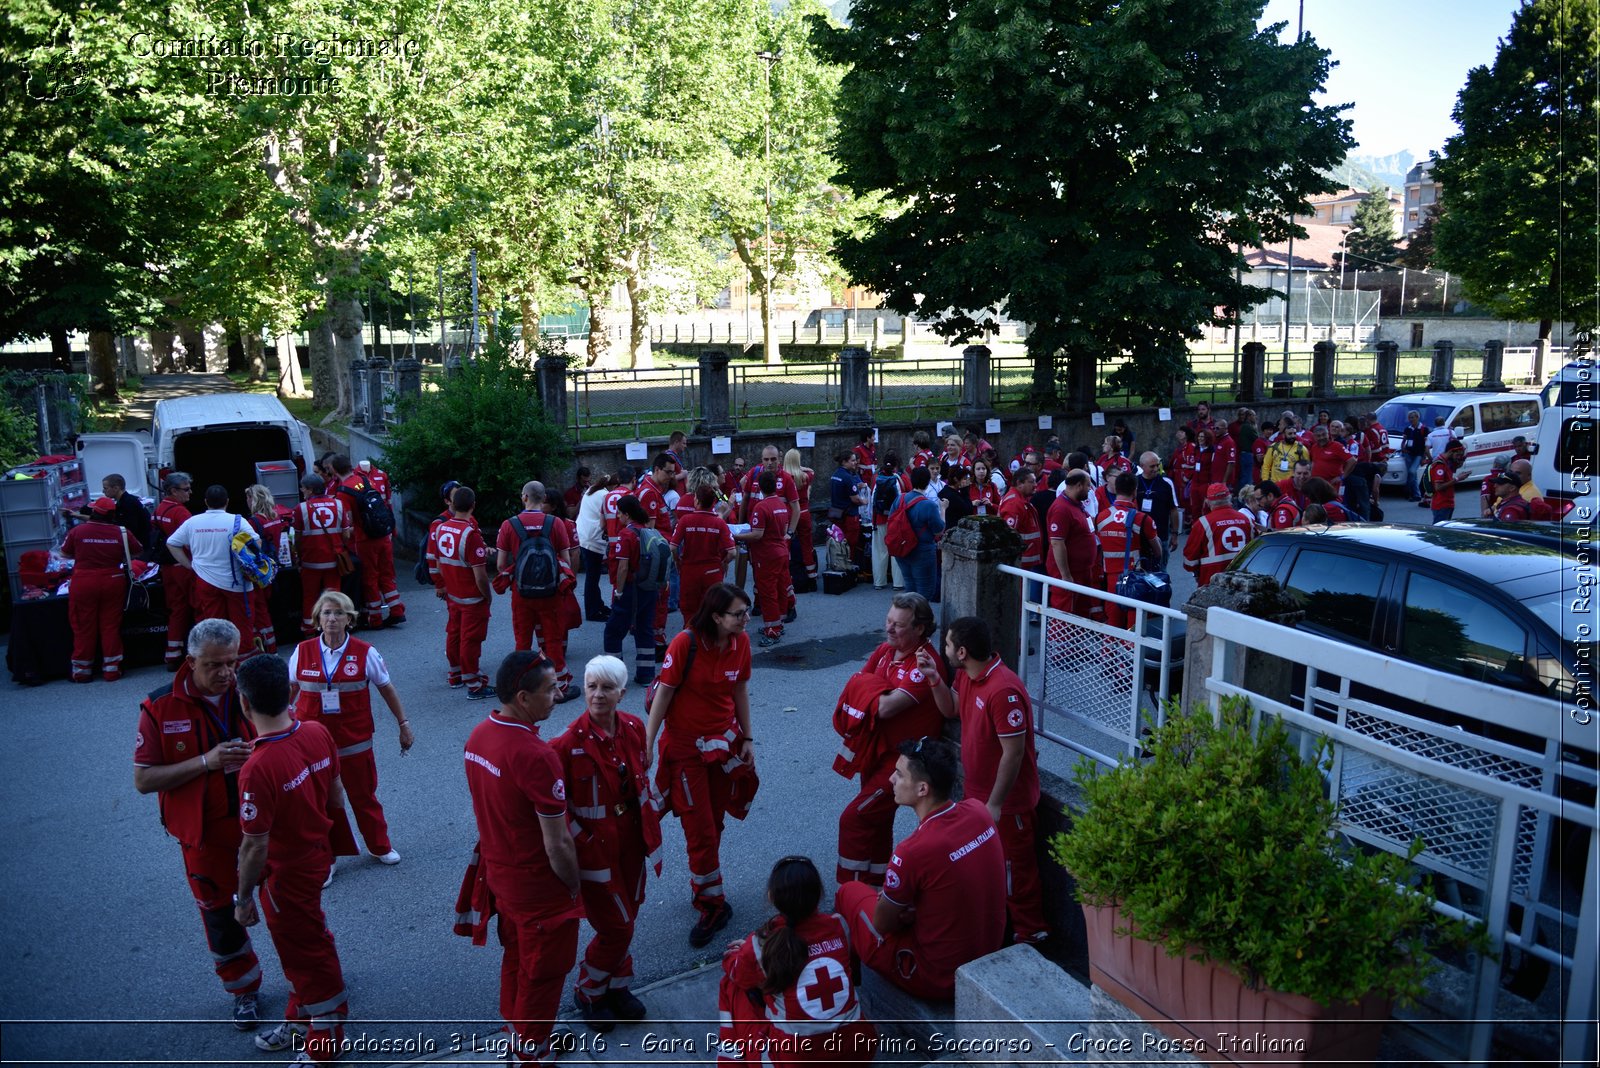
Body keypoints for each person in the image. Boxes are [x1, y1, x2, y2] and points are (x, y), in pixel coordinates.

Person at [133, 619, 263, 1031]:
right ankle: (243, 990)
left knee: (286, 904)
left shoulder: (251, 689)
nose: (226, 673)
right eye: (214, 665)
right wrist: (206, 762)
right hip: (204, 835)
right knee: (220, 916)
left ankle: (309, 985)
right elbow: (143, 779)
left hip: (259, 824)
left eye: (231, 662)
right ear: (190, 662)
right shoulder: (160, 706)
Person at [463, 652, 582, 1066]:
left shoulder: (479, 736)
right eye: (550, 690)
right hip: (538, 889)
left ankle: (515, 1032)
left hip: (502, 878)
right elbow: (558, 845)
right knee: (545, 973)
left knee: (517, 959)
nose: (559, 695)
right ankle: (531, 1052)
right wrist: (573, 886)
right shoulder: (537, 756)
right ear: (523, 697)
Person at [233, 654, 351, 1065]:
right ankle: (301, 1019)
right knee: (308, 940)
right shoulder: (318, 732)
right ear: (290, 692)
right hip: (317, 856)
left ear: (244, 705)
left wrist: (243, 897)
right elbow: (336, 798)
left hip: (286, 874)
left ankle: (325, 1038)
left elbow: (254, 847)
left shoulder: (256, 768)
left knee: (306, 953)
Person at [835, 737, 1006, 1001]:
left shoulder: (912, 851)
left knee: (849, 893)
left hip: (938, 978)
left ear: (922, 789)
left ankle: (847, 993)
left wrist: (897, 906)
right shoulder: (978, 811)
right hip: (988, 952)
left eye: (899, 774)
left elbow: (882, 924)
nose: (891, 779)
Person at [549, 656, 660, 1031]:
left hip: (633, 842)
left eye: (607, 688)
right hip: (595, 852)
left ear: (621, 694)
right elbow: (555, 807)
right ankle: (589, 989)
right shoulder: (566, 745)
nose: (597, 694)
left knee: (629, 913)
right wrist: (584, 838)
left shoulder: (633, 726)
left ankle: (617, 986)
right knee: (617, 926)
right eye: (592, 686)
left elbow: (642, 776)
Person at [646, 582, 756, 946]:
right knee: (701, 828)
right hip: (685, 750)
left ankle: (704, 880)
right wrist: (647, 745)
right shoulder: (685, 643)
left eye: (746, 612)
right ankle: (712, 903)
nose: (745, 619)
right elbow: (663, 694)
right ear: (716, 616)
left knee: (716, 820)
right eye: (738, 614)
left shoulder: (740, 643)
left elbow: (739, 689)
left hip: (723, 747)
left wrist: (749, 739)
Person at [928, 617, 1046, 944]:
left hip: (1006, 806)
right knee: (990, 869)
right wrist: (934, 679)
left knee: (1015, 873)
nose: (945, 649)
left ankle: (1031, 933)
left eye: (948, 645)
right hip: (979, 800)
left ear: (962, 652)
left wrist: (994, 803)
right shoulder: (968, 675)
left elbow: (1014, 754)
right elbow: (951, 708)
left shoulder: (1003, 690)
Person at [287, 589, 412, 879]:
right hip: (313, 742)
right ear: (318, 619)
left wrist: (403, 724)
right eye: (327, 613)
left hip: (354, 739)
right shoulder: (302, 652)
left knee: (363, 795)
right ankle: (327, 859)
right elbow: (290, 691)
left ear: (349, 619)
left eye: (339, 613)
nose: (332, 618)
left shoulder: (366, 652)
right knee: (320, 801)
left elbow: (386, 688)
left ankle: (379, 846)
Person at [836, 593, 949, 886]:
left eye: (898, 625)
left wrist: (871, 689)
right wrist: (874, 688)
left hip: (903, 764)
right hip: (876, 751)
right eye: (888, 620)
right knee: (877, 820)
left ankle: (851, 890)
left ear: (919, 629)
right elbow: (854, 684)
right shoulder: (886, 650)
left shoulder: (923, 664)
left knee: (855, 818)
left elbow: (883, 708)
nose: (889, 629)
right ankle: (876, 884)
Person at [716, 856, 875, 1065]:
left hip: (795, 1060)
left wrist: (742, 951)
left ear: (772, 898)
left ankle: (729, 1060)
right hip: (858, 1052)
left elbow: (738, 973)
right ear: (818, 895)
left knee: (731, 985)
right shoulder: (838, 926)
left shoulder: (761, 945)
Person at [496, 481, 579, 701]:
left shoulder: (509, 525)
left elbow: (501, 565)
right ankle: (560, 686)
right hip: (551, 594)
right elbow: (566, 559)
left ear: (524, 497)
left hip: (521, 594)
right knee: (553, 639)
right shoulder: (556, 523)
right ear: (543, 499)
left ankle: (519, 686)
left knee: (522, 641)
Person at [61, 495, 142, 682]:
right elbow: (137, 551)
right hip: (113, 581)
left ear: (94, 512)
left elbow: (65, 554)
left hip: (84, 581)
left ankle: (82, 671)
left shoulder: (78, 532)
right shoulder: (122, 532)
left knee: (83, 626)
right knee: (110, 625)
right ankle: (112, 669)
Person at [167, 484, 255, 654]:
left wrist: (189, 565)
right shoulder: (237, 520)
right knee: (242, 623)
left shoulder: (192, 522)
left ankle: (219, 659)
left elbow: (172, 543)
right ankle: (243, 660)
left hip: (206, 582)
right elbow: (256, 543)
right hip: (235, 581)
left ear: (206, 502)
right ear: (227, 502)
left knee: (214, 626)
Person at [430, 485, 493, 697]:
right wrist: (487, 595)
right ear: (473, 506)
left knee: (454, 633)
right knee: (471, 639)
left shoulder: (441, 528)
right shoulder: (470, 534)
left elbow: (436, 562)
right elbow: (481, 576)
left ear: (452, 504)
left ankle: (455, 674)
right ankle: (474, 682)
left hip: (453, 595)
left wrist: (442, 584)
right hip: (471, 597)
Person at [330, 453, 406, 628]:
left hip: (365, 539)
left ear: (334, 470)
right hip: (382, 534)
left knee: (370, 577)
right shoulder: (364, 480)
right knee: (387, 574)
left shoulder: (343, 492)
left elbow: (347, 521)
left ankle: (375, 618)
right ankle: (397, 610)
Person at [604, 495, 662, 683]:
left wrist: (619, 591)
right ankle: (646, 675)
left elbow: (622, 567)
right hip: (649, 588)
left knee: (613, 631)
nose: (618, 516)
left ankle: (613, 676)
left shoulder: (626, 534)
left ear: (627, 514)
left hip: (631, 589)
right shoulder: (648, 531)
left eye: (619, 513)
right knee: (644, 629)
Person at [1093, 474, 1162, 630]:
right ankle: (1132, 653)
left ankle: (1108, 654)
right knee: (1135, 625)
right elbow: (1158, 552)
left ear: (1116, 489)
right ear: (1135, 491)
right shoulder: (1143, 519)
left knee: (1113, 624)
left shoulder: (1100, 517)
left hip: (1111, 577)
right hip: (1136, 579)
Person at [735, 471, 793, 647]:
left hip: (766, 555)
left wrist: (736, 536)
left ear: (759, 487)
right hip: (781, 551)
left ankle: (773, 630)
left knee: (768, 593)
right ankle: (778, 624)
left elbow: (757, 534)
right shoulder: (781, 505)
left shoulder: (761, 507)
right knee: (780, 588)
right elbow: (784, 529)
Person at [292, 474, 353, 637]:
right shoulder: (338, 505)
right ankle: (338, 626)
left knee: (309, 596)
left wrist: (299, 555)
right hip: (334, 560)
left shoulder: (301, 508)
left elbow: (297, 538)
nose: (302, 491)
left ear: (311, 490)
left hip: (311, 561)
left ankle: (309, 628)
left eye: (303, 488)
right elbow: (346, 535)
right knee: (334, 596)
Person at [673, 470, 736, 626]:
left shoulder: (682, 502)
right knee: (712, 602)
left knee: (691, 605)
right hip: (713, 555)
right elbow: (728, 505)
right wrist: (728, 506)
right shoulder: (713, 496)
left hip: (690, 555)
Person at [149, 471, 196, 668]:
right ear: (173, 490)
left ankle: (173, 654)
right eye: (186, 489)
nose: (190, 493)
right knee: (198, 608)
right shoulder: (181, 512)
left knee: (176, 610)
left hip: (168, 568)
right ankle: (199, 653)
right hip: (184, 567)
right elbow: (190, 542)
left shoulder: (160, 509)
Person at [1045, 471, 1101, 617]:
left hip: (1081, 571)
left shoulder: (1076, 504)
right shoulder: (1061, 509)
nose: (1090, 489)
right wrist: (1065, 575)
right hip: (1070, 574)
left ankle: (1076, 639)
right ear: (1079, 485)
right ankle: (1060, 640)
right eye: (1088, 485)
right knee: (1065, 611)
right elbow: (1057, 543)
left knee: (1080, 611)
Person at [1182, 483, 1253, 588]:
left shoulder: (1203, 523)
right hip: (1243, 583)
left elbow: (1190, 562)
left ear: (1207, 501)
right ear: (1229, 498)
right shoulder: (1247, 520)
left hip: (1211, 583)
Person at [243, 485, 286, 654]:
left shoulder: (253, 522)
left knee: (259, 610)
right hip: (272, 568)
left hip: (259, 571)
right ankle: (270, 644)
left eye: (248, 498)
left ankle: (268, 647)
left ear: (254, 499)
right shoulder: (275, 517)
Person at [895, 467, 944, 599]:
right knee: (925, 591)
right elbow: (939, 530)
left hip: (902, 548)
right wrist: (943, 509)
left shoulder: (900, 499)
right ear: (928, 482)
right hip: (922, 550)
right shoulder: (928, 505)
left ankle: (909, 618)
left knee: (910, 587)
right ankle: (919, 618)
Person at [576, 472, 614, 623]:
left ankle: (598, 605)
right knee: (592, 577)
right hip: (592, 539)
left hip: (585, 535)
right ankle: (592, 611)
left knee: (593, 576)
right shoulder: (605, 496)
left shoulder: (593, 490)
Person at [1133, 452, 1180, 567]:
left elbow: (1174, 510)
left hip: (1161, 535)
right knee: (1140, 571)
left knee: (1160, 571)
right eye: (1152, 466)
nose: (1156, 469)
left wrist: (1175, 534)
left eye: (1157, 465)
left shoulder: (1167, 483)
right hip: (1139, 536)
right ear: (1142, 466)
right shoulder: (1134, 482)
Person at [870, 452, 908, 591]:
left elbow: (871, 500)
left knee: (880, 550)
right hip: (896, 520)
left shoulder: (876, 478)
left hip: (879, 519)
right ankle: (898, 583)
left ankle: (879, 581)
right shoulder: (902, 478)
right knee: (897, 550)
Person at [783, 448, 819, 590]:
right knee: (807, 546)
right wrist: (799, 467)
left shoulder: (785, 477)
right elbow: (812, 471)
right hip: (804, 513)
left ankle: (788, 577)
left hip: (789, 514)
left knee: (786, 546)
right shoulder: (805, 476)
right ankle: (812, 577)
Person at [998, 468, 1042, 575]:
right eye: (1031, 482)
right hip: (1021, 563)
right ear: (1019, 483)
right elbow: (1008, 535)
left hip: (1024, 560)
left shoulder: (1020, 499)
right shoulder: (1014, 503)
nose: (1035, 485)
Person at [828, 450, 866, 564]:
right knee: (850, 544)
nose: (855, 463)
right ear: (844, 462)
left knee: (838, 541)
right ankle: (848, 566)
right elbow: (855, 499)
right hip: (849, 517)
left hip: (836, 513)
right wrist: (864, 501)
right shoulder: (848, 477)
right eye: (853, 460)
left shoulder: (835, 475)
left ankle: (838, 564)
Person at [100, 471, 152, 547]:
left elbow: (130, 530)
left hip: (140, 545)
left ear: (116, 488)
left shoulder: (128, 504)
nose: (103, 491)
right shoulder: (125, 500)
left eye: (105, 488)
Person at [1398, 410, 1429, 502]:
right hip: (1408, 453)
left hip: (1418, 454)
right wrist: (1403, 448)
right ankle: (1416, 495)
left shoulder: (1424, 429)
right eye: (1410, 417)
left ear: (1417, 418)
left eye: (1413, 417)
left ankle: (1407, 490)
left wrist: (1424, 457)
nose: (1411, 419)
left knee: (1412, 472)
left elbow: (1426, 444)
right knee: (1413, 474)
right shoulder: (1408, 429)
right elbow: (1404, 441)